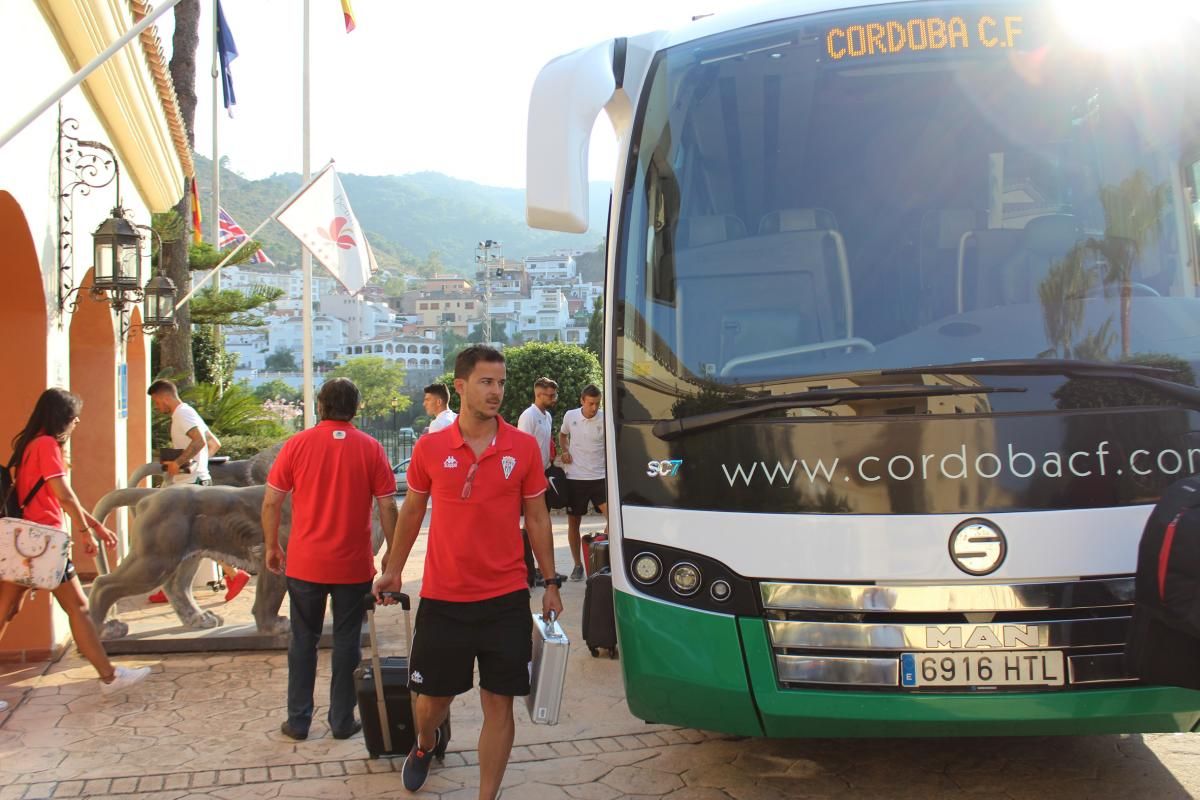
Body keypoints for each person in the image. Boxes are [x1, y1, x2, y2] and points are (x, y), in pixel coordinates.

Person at [372, 345, 561, 798]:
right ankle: (424, 743)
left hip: (505, 599)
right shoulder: (432, 446)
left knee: (500, 704)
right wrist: (393, 571)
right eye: (485, 382)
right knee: (431, 703)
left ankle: (486, 795)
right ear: (460, 386)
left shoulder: (522, 446)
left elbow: (536, 517)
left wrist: (551, 583)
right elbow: (412, 511)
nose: (496, 391)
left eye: (500, 382)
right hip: (444, 598)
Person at [262, 377, 399, 742]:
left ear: (320, 406)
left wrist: (273, 545)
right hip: (352, 566)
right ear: (355, 408)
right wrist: (392, 555)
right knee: (347, 641)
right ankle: (342, 721)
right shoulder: (371, 449)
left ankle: (298, 721)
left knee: (302, 640)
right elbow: (387, 505)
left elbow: (272, 500)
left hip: (305, 564)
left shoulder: (296, 445)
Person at [0, 388, 151, 694]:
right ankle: (109, 677)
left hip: (26, 541)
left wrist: (94, 526)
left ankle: (109, 676)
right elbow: (64, 496)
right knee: (79, 608)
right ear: (62, 418)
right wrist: (85, 533)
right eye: (74, 416)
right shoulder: (46, 445)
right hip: (43, 542)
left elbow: (55, 498)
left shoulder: (31, 444)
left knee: (7, 609)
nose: (78, 421)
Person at [146, 380, 249, 603]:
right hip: (197, 481)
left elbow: (201, 442)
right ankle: (230, 575)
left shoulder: (181, 414)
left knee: (178, 536)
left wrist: (179, 463)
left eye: (156, 402)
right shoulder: (189, 413)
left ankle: (230, 575)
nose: (157, 407)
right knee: (192, 538)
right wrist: (198, 465)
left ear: (163, 397)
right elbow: (214, 444)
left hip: (190, 485)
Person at [559, 384, 607, 581]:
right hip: (575, 478)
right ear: (582, 401)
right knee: (573, 522)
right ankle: (578, 565)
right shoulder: (570, 416)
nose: (594, 408)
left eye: (597, 404)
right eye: (590, 404)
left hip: (600, 477)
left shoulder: (605, 417)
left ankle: (603, 560)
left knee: (613, 520)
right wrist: (565, 450)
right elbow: (563, 435)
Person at [517, 376, 559, 585]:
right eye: (550, 395)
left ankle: (542, 570)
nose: (554, 398)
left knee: (542, 525)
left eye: (554, 394)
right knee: (534, 525)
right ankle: (531, 570)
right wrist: (534, 474)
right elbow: (522, 449)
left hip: (543, 474)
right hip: (530, 477)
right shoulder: (529, 416)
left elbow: (544, 445)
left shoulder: (547, 416)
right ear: (539, 394)